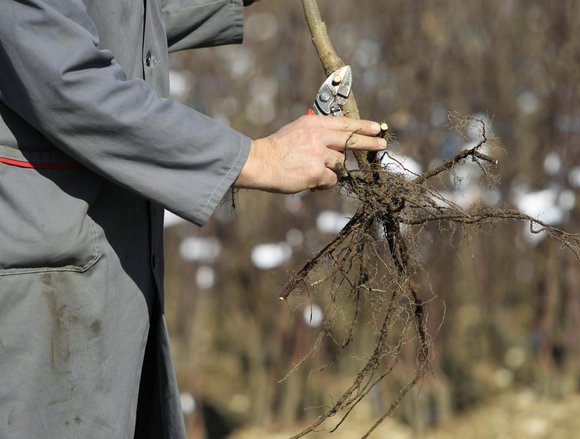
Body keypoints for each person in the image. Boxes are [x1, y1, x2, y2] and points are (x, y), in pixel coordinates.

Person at [0, 0, 385, 437]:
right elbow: (64, 78)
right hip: (37, 300)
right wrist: (257, 158)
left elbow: (121, 12)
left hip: (114, 273)